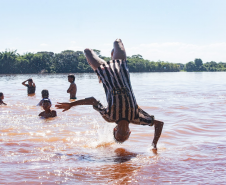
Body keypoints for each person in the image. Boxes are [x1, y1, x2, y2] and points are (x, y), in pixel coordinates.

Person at [56, 39, 164, 150]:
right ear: (129, 132)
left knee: (87, 51)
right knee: (117, 42)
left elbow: (93, 100)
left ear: (115, 129)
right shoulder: (137, 118)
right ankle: (113, 58)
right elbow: (159, 124)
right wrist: (154, 144)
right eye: (125, 135)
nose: (122, 134)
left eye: (119, 135)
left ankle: (108, 62)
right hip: (121, 69)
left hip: (105, 75)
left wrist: (71, 105)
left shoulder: (109, 117)